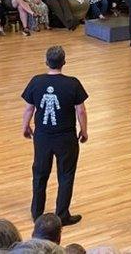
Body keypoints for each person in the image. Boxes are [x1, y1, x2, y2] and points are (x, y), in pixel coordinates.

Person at [22, 46, 88, 224]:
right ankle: (62, 214)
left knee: (40, 173)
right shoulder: (73, 83)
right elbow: (80, 110)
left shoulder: (36, 81)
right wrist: (84, 130)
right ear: (64, 62)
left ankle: (37, 212)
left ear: (46, 62)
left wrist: (25, 126)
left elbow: (29, 108)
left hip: (42, 136)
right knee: (66, 174)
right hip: (65, 137)